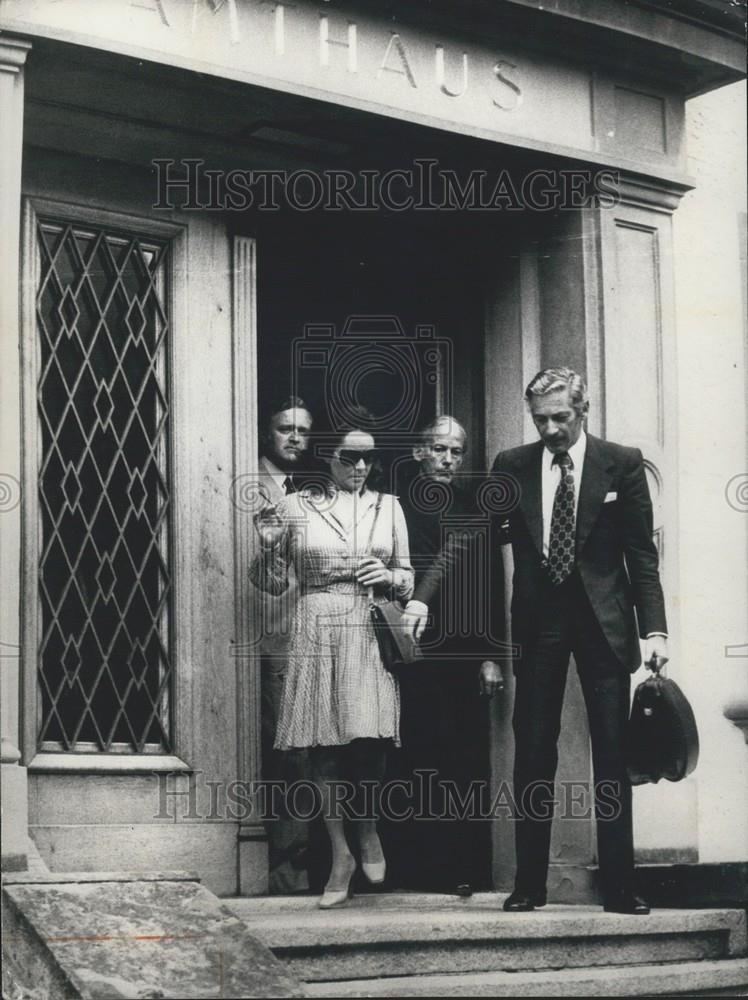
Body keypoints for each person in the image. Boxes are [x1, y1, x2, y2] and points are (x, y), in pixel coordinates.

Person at [492, 367, 668, 915]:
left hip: (605, 624)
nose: (550, 429)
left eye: (560, 417)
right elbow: (484, 549)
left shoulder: (622, 462)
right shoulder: (512, 466)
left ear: (583, 410)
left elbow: (641, 553)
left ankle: (620, 885)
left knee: (612, 754)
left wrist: (654, 628)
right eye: (540, 419)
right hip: (540, 622)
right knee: (533, 751)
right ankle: (529, 885)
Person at [250, 410, 414, 909]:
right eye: (351, 457)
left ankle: (367, 830)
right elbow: (269, 582)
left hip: (368, 624)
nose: (361, 466)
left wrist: (389, 579)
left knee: (371, 738)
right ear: (330, 457)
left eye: (370, 458)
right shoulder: (297, 505)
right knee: (322, 745)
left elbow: (407, 576)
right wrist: (269, 550)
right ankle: (340, 854)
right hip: (316, 621)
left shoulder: (390, 506)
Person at [395, 416, 505, 895]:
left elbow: (490, 583)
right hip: (412, 645)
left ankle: (465, 870)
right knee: (418, 751)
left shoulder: (473, 507)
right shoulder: (393, 505)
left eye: (457, 451)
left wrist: (492, 655)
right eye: (438, 449)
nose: (447, 459)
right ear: (419, 451)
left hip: (465, 649)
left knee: (466, 755)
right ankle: (417, 870)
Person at [253, 396, 314, 893]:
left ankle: (290, 871)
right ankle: (266, 868)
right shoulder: (245, 482)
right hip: (256, 636)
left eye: (303, 431)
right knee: (270, 750)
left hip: (304, 637)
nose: (294, 438)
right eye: (285, 428)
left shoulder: (315, 493)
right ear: (266, 432)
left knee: (301, 753)